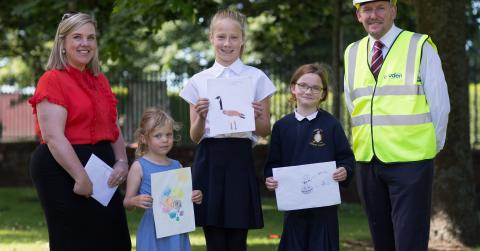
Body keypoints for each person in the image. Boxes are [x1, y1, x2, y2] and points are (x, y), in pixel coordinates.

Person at [343, 0, 451, 250]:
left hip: (411, 162)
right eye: (366, 10)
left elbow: (440, 104)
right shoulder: (352, 51)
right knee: (382, 242)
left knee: (409, 241)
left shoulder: (420, 45)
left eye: (380, 7)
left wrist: (428, 148)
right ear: (358, 15)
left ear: (393, 10)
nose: (373, 15)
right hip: (368, 161)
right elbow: (353, 104)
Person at [28, 12, 131, 251]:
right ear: (62, 43)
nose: (85, 43)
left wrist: (122, 161)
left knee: (115, 240)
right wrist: (80, 176)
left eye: (90, 37)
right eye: (77, 37)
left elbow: (112, 125)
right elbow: (53, 136)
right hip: (62, 168)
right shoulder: (52, 79)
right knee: (75, 242)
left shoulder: (100, 80)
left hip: (101, 165)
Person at [179, 9, 276, 251]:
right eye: (221, 37)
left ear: (243, 39)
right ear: (211, 38)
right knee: (213, 236)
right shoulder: (198, 81)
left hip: (239, 158)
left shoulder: (257, 78)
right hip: (209, 160)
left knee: (237, 235)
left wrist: (256, 117)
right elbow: (195, 135)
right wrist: (200, 117)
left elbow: (265, 131)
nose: (227, 43)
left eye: (234, 37)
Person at [264, 63, 354, 251]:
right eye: (304, 85)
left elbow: (346, 158)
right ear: (293, 88)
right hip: (294, 206)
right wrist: (270, 179)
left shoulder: (331, 124)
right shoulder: (282, 126)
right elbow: (273, 164)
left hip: (324, 209)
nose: (308, 91)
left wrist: (344, 171)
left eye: (315, 87)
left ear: (323, 93)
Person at [123, 108, 203, 251]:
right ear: (143, 138)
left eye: (169, 134)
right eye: (158, 136)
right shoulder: (139, 167)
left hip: (176, 228)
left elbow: (182, 198)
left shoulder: (177, 165)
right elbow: (127, 202)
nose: (165, 140)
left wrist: (194, 196)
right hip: (152, 231)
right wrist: (135, 200)